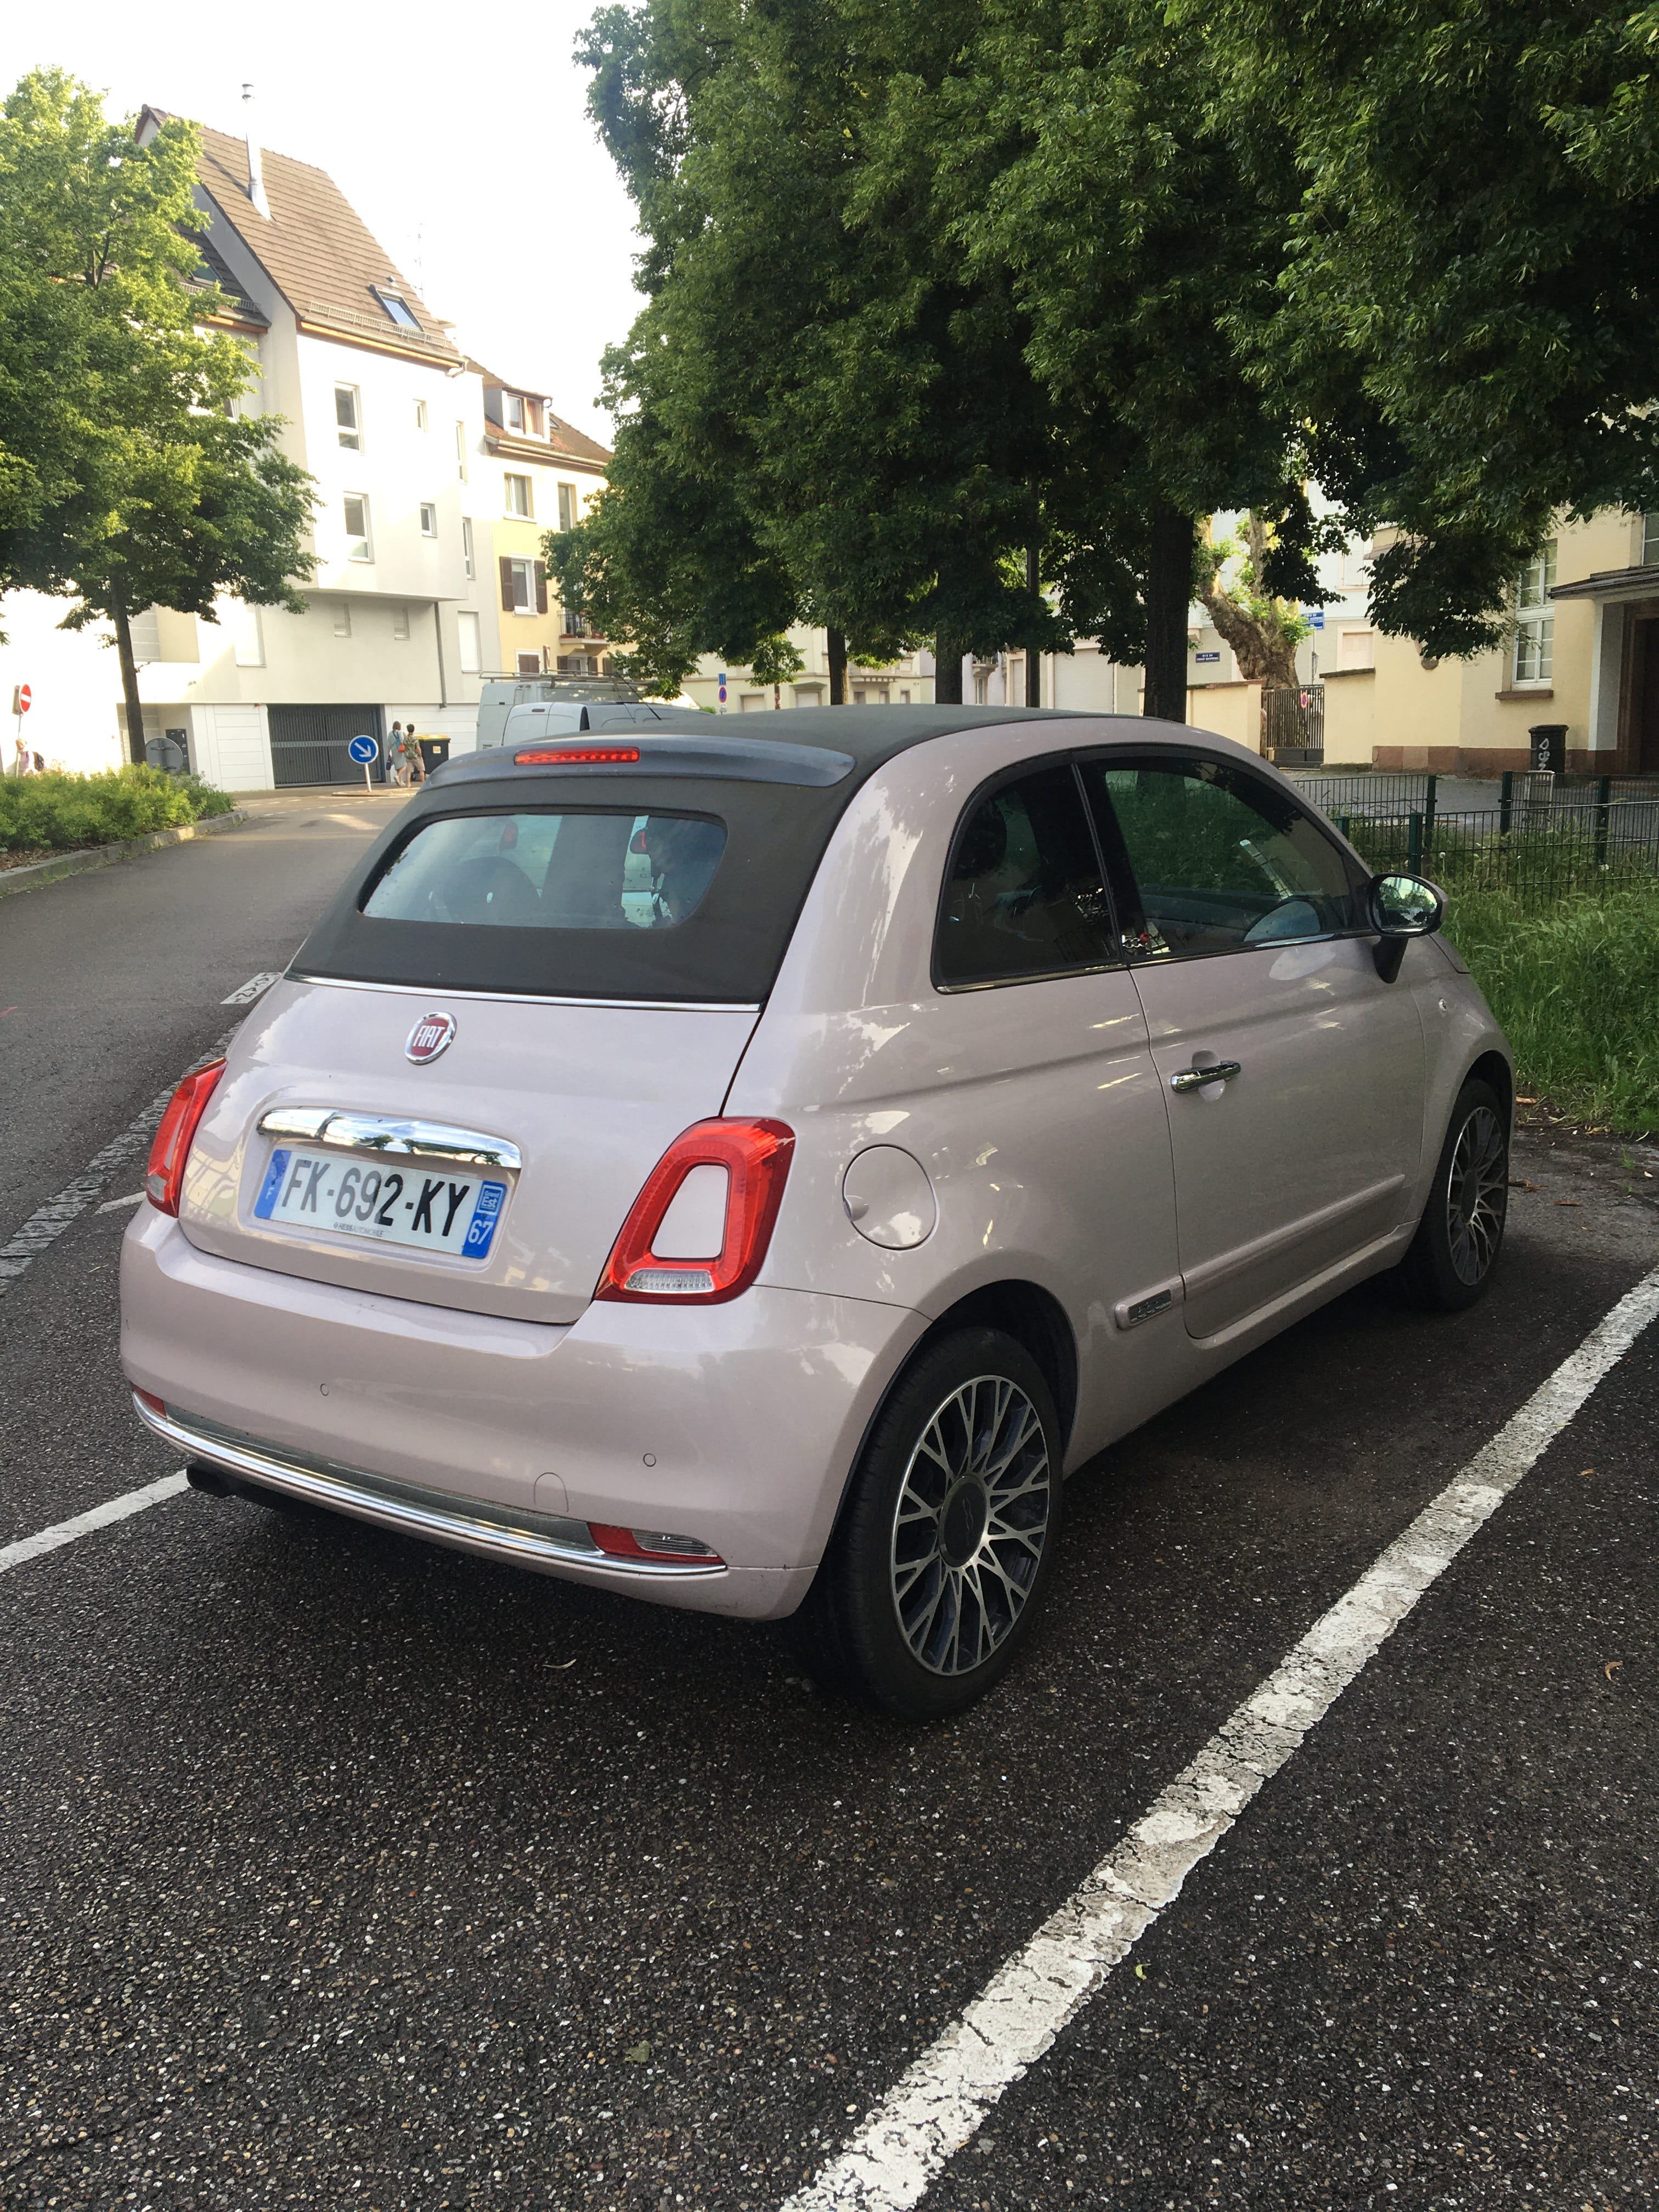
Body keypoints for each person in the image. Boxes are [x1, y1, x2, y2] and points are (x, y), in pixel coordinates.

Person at [386, 721, 405, 786]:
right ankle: (398, 776)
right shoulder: (400, 732)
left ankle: (400, 781)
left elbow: (388, 744)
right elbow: (402, 741)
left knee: (398, 766)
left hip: (393, 750)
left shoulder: (390, 734)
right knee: (404, 765)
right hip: (400, 749)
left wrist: (388, 753)